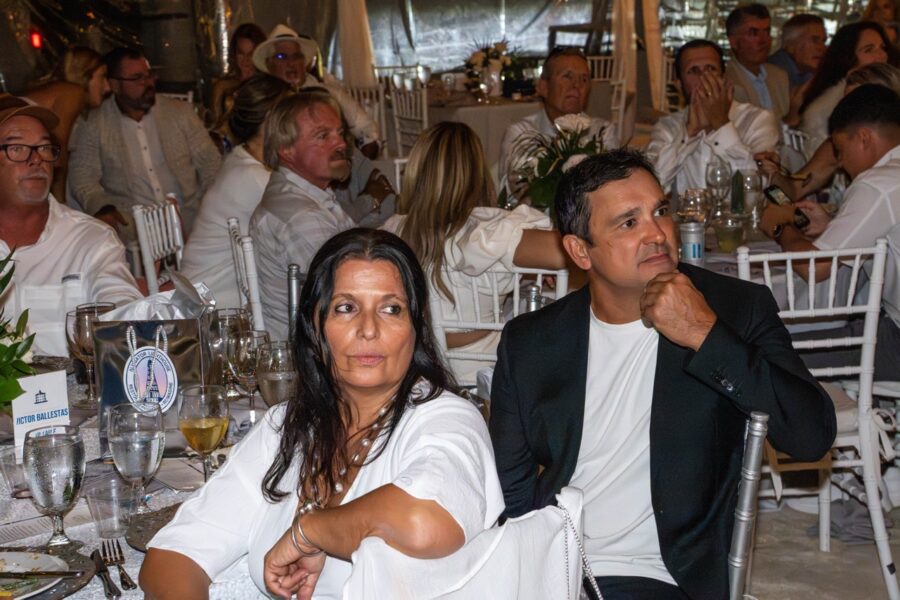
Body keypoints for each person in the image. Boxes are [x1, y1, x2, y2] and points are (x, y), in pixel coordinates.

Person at [490, 148, 835, 599]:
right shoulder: (531, 341)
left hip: (660, 574)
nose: (657, 234)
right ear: (580, 251)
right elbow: (509, 488)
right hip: (554, 561)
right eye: (629, 223)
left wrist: (704, 334)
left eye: (661, 211)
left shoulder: (735, 309)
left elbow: (811, 435)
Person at [141, 228, 504, 599]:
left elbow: (423, 523)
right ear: (315, 327)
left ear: (414, 327)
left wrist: (310, 531)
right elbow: (174, 554)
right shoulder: (289, 426)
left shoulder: (446, 419)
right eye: (346, 308)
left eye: (391, 309)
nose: (368, 330)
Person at [382, 122, 568, 383]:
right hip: (485, 376)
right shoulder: (486, 234)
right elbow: (574, 252)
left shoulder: (393, 230)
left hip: (414, 371)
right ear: (477, 174)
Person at [761, 84, 900, 380]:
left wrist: (781, 226)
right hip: (888, 327)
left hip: (896, 342)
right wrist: (831, 226)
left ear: (863, 138)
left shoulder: (878, 183)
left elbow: (815, 268)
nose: (840, 162)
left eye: (839, 149)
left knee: (766, 356)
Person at [0, 94, 140, 357]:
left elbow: (120, 302)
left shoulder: (90, 240)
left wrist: (126, 320)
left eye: (44, 147)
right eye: (16, 148)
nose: (36, 159)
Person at [68, 46, 222, 241]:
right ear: (114, 85)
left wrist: (213, 206)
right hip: (135, 230)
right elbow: (83, 176)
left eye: (149, 76)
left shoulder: (180, 113)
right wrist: (102, 207)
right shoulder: (95, 123)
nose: (147, 83)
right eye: (137, 78)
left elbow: (210, 162)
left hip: (190, 220)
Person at [250, 91, 357, 342]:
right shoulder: (301, 217)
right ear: (286, 149)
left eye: (340, 133)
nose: (340, 144)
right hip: (309, 350)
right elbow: (351, 292)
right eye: (323, 136)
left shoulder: (302, 194)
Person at [181, 74, 291, 309]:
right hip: (214, 308)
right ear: (272, 120)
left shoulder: (242, 158)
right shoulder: (255, 178)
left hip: (207, 296)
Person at [646, 39, 779, 195]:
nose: (704, 78)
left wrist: (721, 125)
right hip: (688, 219)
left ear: (724, 78)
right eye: (694, 71)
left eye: (711, 69)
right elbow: (650, 187)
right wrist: (689, 133)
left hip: (740, 218)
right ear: (679, 84)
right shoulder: (668, 127)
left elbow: (753, 189)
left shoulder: (756, 120)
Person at [755, 62, 900, 203]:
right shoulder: (840, 145)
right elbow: (792, 192)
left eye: (858, 104)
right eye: (845, 102)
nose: (848, 111)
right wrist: (772, 174)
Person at [498, 47, 619, 196]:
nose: (576, 85)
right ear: (543, 87)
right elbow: (514, 193)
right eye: (567, 76)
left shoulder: (602, 132)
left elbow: (611, 190)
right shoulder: (521, 133)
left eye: (584, 79)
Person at [252, 24, 380, 160]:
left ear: (304, 62)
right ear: (269, 64)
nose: (291, 63)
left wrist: (351, 171)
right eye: (281, 56)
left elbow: (369, 134)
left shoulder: (330, 94)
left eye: (296, 56)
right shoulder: (260, 102)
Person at [24, 46, 110, 201]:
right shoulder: (72, 92)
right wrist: (59, 202)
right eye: (102, 77)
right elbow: (58, 150)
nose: (107, 87)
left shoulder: (68, 96)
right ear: (86, 75)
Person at [799, 21, 897, 154]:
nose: (881, 55)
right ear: (848, 57)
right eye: (869, 49)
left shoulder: (890, 89)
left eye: (883, 47)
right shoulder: (828, 106)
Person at [724, 4, 791, 120]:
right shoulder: (726, 82)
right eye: (753, 33)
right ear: (733, 41)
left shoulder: (780, 76)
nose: (763, 40)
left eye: (767, 31)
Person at [208, 23, 267, 134]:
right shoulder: (222, 87)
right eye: (241, 53)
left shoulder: (268, 87)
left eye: (251, 54)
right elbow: (214, 125)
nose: (245, 60)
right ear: (234, 54)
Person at [767, 14, 827, 90]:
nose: (822, 48)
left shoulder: (807, 73)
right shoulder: (771, 74)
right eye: (814, 40)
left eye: (824, 41)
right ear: (791, 44)